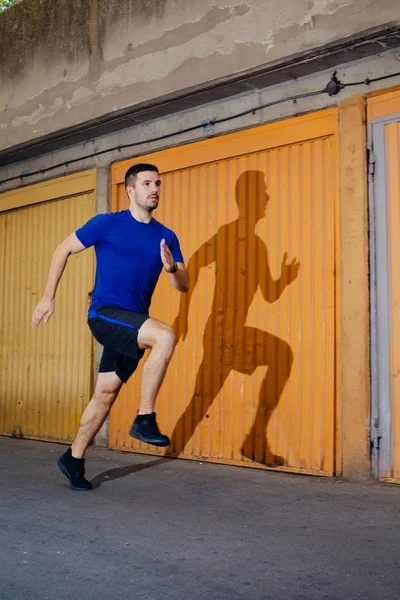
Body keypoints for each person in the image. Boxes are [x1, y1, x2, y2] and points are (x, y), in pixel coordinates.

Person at [31, 163, 189, 491]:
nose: (154, 188)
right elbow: (63, 249)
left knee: (105, 393)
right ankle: (145, 418)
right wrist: (48, 297)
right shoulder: (107, 224)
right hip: (105, 314)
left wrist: (172, 267)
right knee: (166, 335)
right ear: (131, 190)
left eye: (157, 183)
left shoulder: (167, 236)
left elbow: (183, 285)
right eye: (147, 183)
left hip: (132, 323)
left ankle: (73, 458)